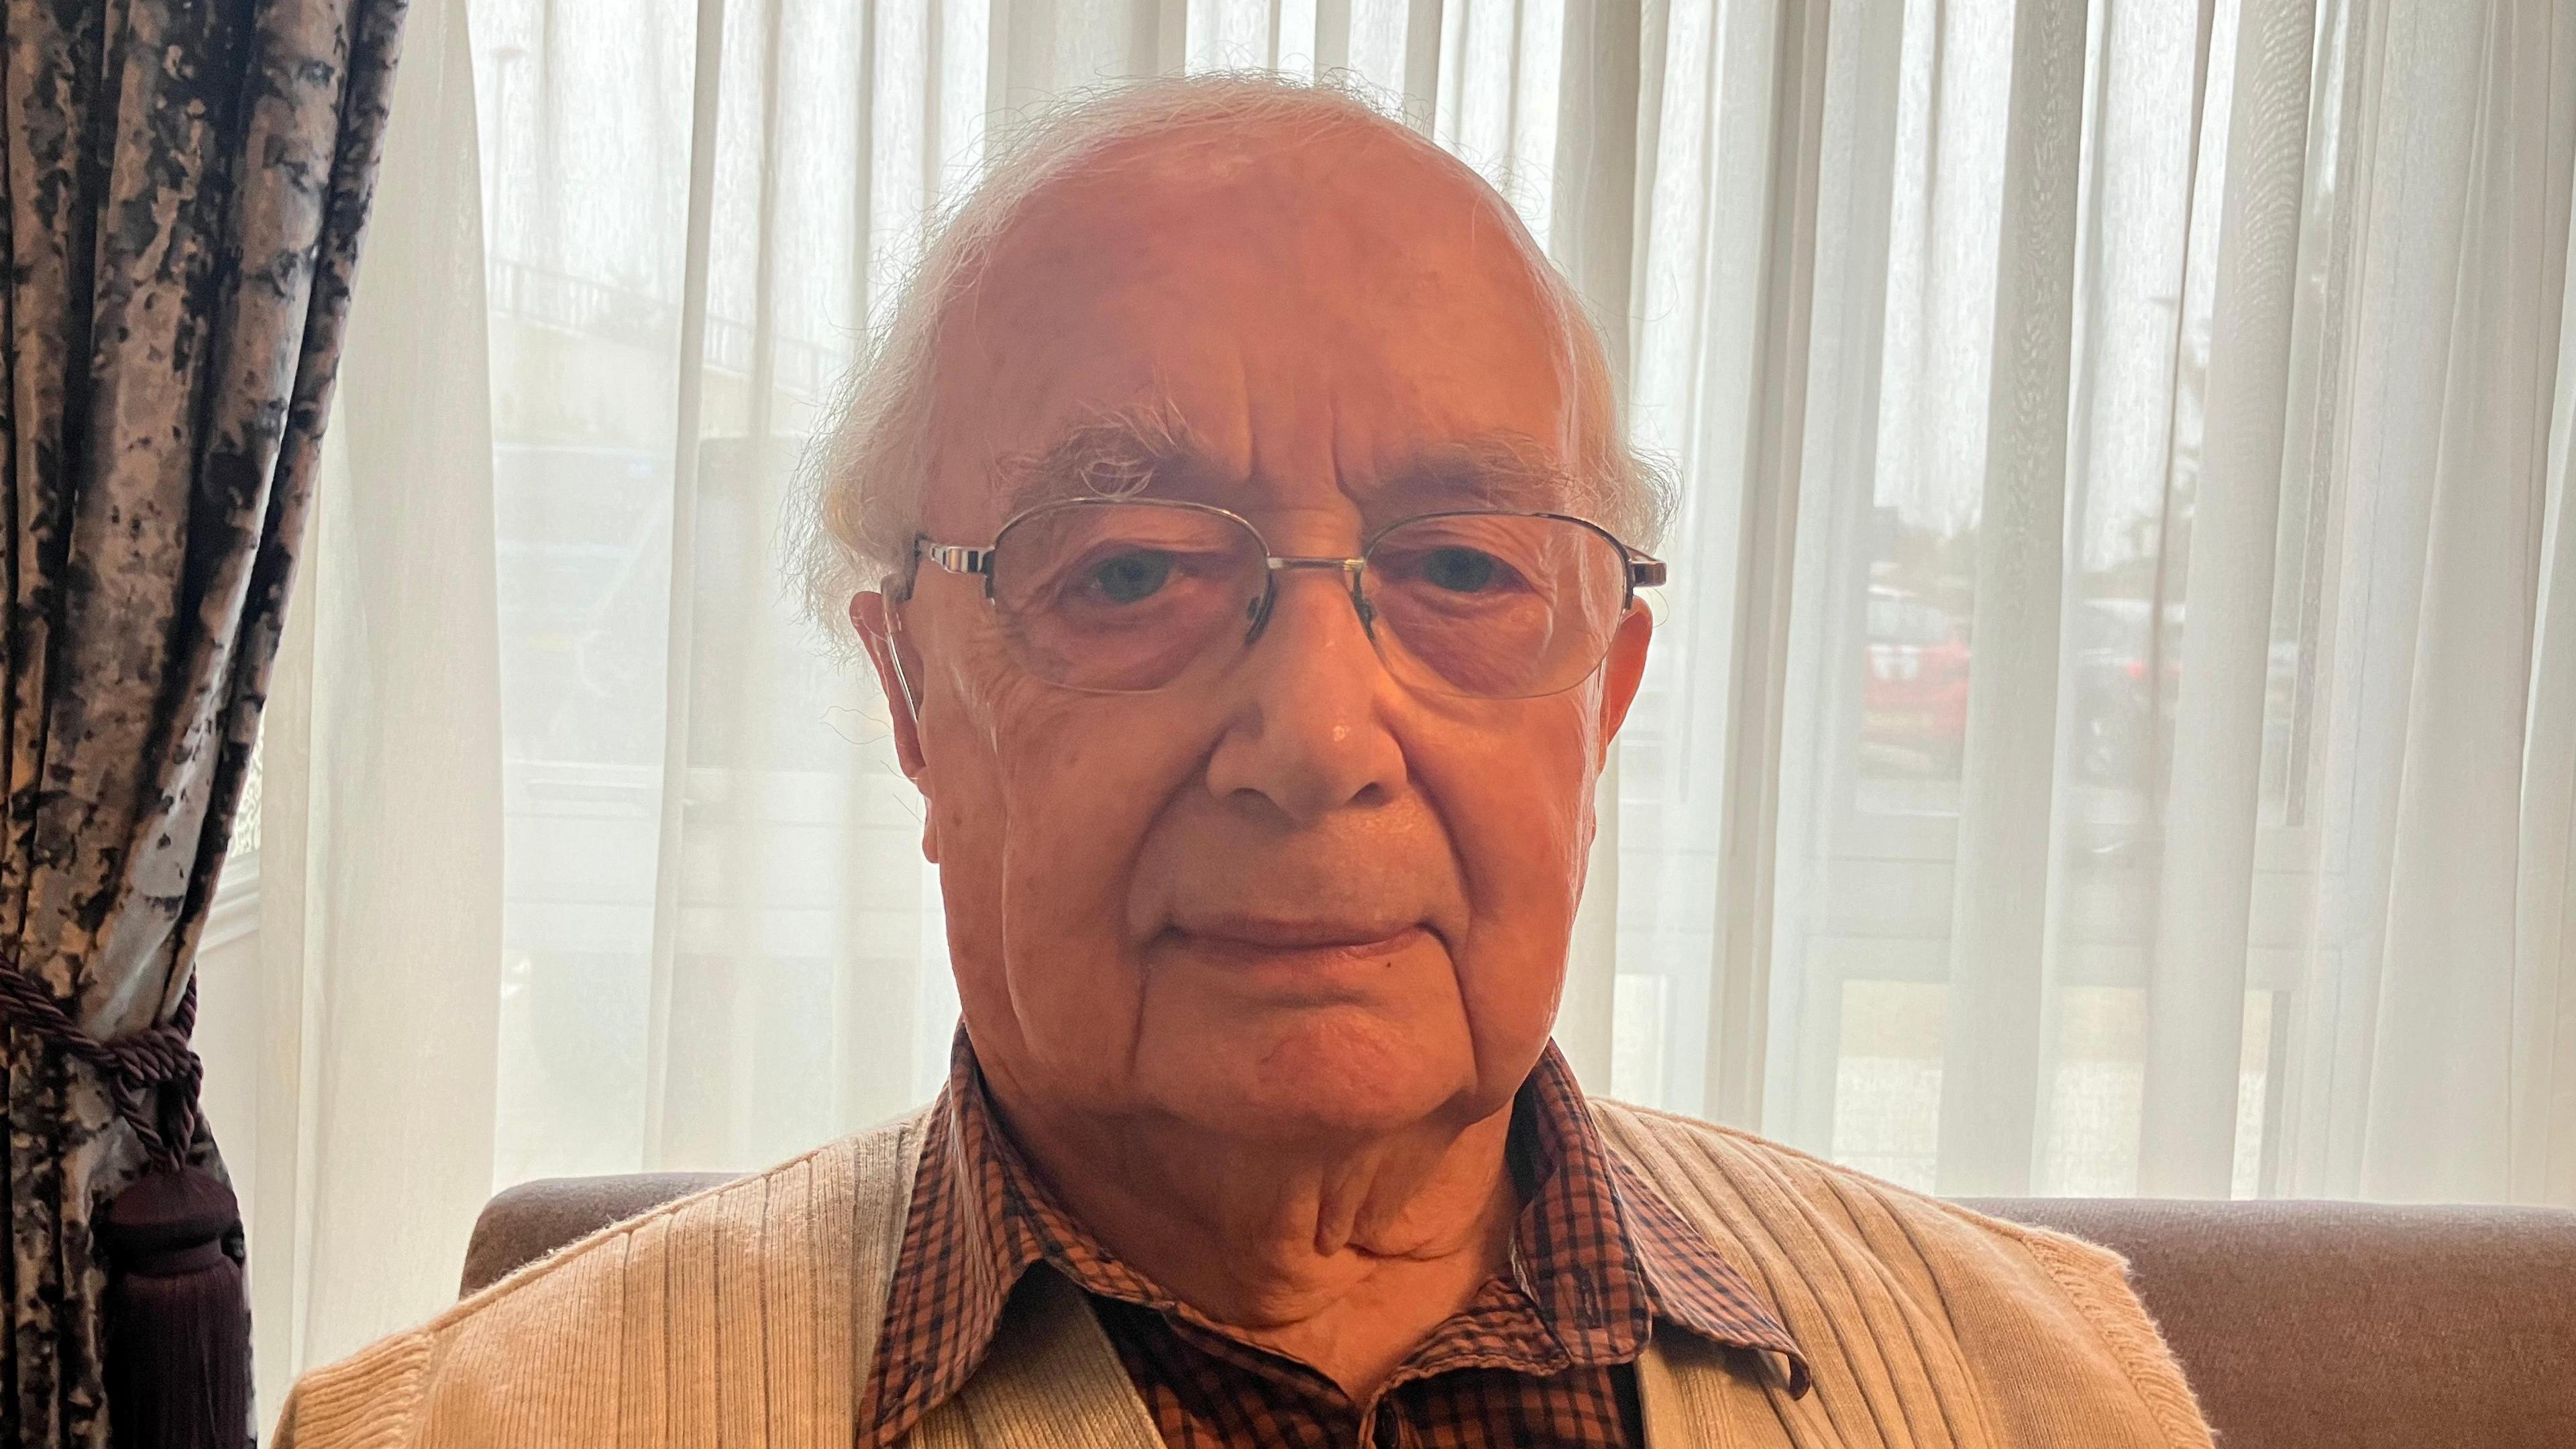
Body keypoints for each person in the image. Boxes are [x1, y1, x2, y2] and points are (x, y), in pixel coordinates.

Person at [278, 74, 2212, 1449]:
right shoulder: (463, 1431)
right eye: (1128, 574)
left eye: (1461, 568)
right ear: (914, 699)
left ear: (1602, 698)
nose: (1314, 739)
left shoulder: (2056, 1385)